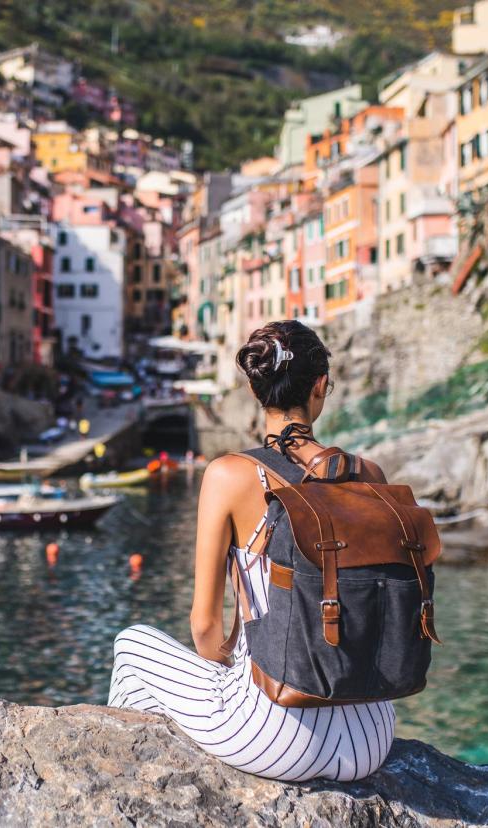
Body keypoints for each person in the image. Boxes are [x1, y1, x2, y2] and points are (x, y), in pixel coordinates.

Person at [109, 320, 396, 782]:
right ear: (320, 386)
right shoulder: (369, 476)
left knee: (131, 644)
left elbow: (204, 628)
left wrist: (235, 663)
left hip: (275, 736)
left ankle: (134, 788)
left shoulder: (229, 475)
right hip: (371, 734)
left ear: (254, 388)